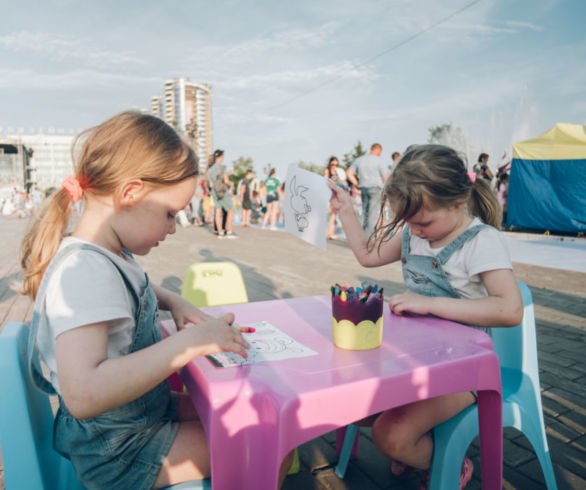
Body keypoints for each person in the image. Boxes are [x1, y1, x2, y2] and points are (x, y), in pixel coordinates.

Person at [19, 111, 293, 489]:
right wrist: (189, 343)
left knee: (259, 417)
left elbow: (138, 288)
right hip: (118, 453)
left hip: (141, 420)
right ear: (130, 193)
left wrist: (174, 301)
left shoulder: (109, 254)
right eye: (169, 213)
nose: (172, 228)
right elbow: (83, 393)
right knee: (266, 443)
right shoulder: (85, 270)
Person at [328, 144, 523, 490]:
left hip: (468, 372)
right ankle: (415, 451)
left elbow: (509, 309)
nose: (415, 232)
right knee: (353, 406)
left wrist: (430, 303)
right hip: (419, 362)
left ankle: (447, 462)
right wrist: (345, 212)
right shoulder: (413, 236)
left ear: (456, 204)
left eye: (423, 223)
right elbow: (366, 256)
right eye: (408, 223)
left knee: (390, 436)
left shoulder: (480, 242)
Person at [346, 143, 389, 235]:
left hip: (363, 188)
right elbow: (385, 177)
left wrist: (356, 183)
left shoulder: (359, 160)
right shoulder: (379, 160)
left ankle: (361, 235)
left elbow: (349, 173)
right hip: (375, 188)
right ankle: (369, 239)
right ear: (378, 150)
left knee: (365, 212)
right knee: (372, 214)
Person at [207, 149, 237, 239]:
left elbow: (210, 184)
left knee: (217, 211)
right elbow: (226, 180)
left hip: (214, 191)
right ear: (220, 157)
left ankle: (220, 232)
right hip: (223, 191)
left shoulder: (210, 169)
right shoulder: (221, 167)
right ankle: (229, 231)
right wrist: (231, 185)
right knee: (230, 210)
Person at [323, 156, 346, 239]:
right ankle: (325, 233)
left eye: (336, 164)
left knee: (334, 214)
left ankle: (330, 233)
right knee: (327, 213)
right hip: (329, 193)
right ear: (330, 163)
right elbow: (325, 181)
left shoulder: (337, 172)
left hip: (335, 194)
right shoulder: (327, 170)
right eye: (332, 164)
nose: (334, 166)